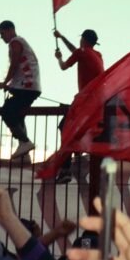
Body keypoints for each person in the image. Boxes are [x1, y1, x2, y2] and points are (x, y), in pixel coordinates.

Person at [53, 28, 105, 183]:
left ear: (83, 39)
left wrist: (59, 58)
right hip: (98, 102)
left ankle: (66, 169)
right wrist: (61, 37)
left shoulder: (81, 52)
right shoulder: (97, 55)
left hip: (85, 101)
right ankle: (77, 157)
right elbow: (77, 51)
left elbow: (64, 66)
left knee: (65, 128)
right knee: (77, 130)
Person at [0, 21, 42, 159]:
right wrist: (10, 85)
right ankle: (24, 150)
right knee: (17, 114)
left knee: (7, 112)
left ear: (10, 30)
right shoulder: (20, 42)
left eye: (2, 33)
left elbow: (15, 63)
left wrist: (6, 82)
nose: (1, 37)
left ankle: (25, 142)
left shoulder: (15, 42)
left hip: (27, 86)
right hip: (27, 86)